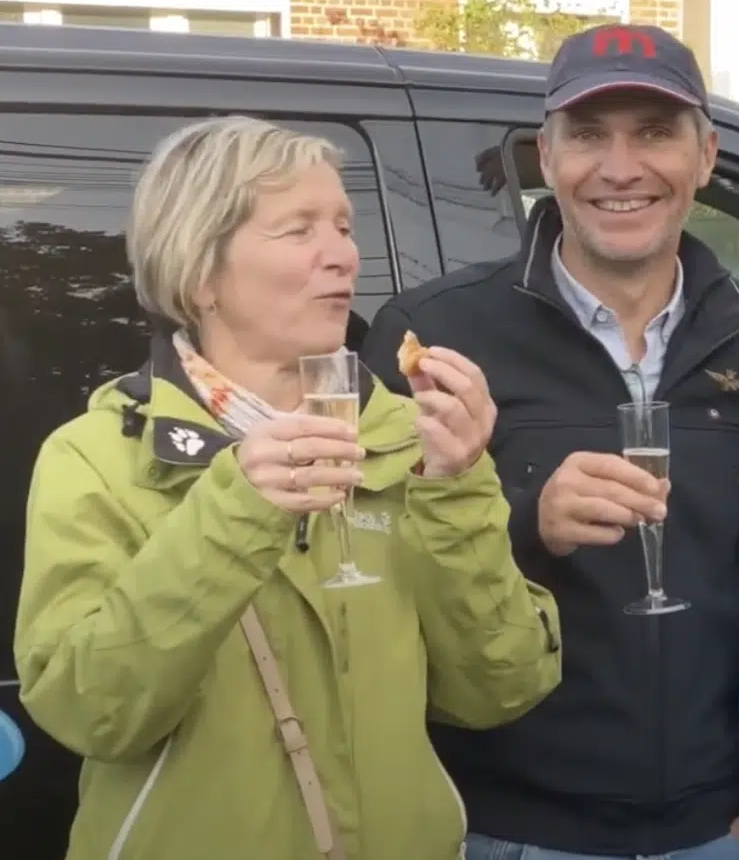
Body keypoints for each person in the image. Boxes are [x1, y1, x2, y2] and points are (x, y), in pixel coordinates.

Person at [14, 116, 561, 859]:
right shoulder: (98, 456)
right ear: (200, 272)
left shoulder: (412, 439)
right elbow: (89, 711)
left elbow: (501, 686)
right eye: (298, 229)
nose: (343, 254)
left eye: (344, 226)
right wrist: (235, 514)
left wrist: (456, 486)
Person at [365, 25, 739, 860]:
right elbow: (368, 581)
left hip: (721, 834)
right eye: (589, 135)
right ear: (547, 155)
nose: (620, 167)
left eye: (655, 132)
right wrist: (527, 523)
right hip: (510, 832)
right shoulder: (436, 336)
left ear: (707, 156)